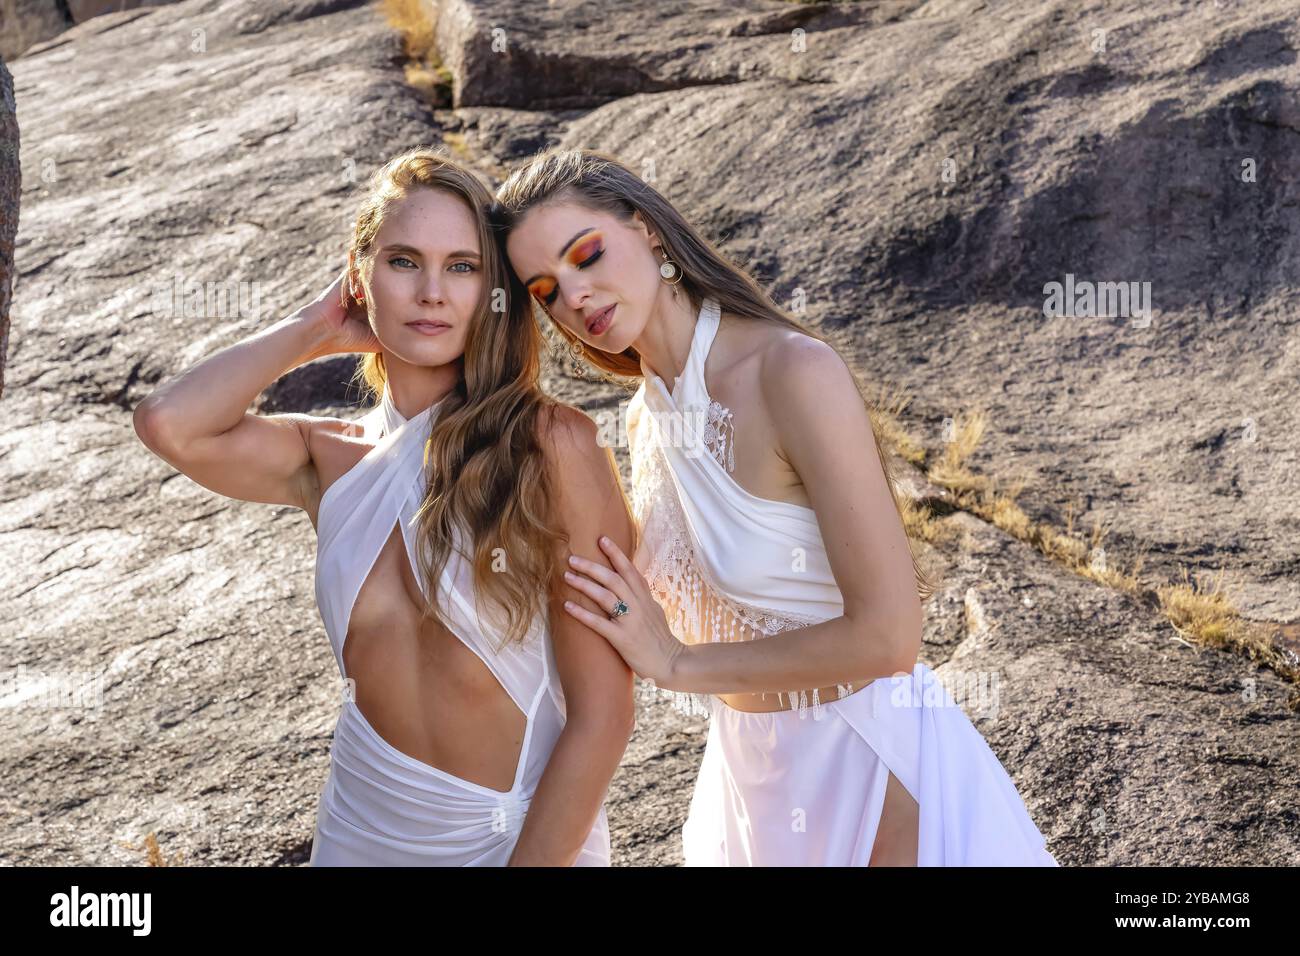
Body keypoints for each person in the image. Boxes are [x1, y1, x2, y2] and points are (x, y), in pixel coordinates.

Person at [492, 148, 1059, 866]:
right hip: (749, 780)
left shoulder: (792, 371)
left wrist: (679, 663)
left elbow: (889, 637)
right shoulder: (643, 418)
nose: (573, 296)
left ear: (649, 232)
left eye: (588, 254)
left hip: (868, 762)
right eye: (546, 289)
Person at [133, 147, 636, 866]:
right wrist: (316, 328)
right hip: (361, 831)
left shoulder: (553, 445)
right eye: (404, 262)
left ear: (494, 289)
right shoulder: (329, 456)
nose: (433, 291)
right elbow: (168, 424)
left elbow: (604, 712)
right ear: (361, 274)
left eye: (463, 267)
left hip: (513, 838)